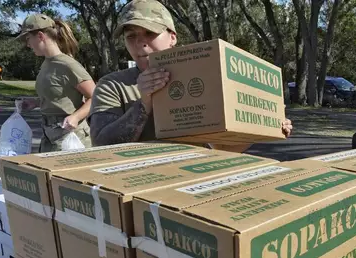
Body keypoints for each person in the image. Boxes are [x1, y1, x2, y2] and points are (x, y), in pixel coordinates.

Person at [88, 0, 292, 151]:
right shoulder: (112, 85)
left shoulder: (203, 78)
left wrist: (264, 125)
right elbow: (101, 145)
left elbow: (220, 149)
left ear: (172, 37)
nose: (140, 43)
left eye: (149, 33)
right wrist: (144, 104)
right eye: (131, 36)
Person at [16, 14, 95, 152]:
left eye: (28, 39)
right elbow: (59, 96)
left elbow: (96, 97)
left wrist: (76, 117)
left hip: (71, 138)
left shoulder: (68, 65)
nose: (27, 45)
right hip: (49, 136)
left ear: (40, 36)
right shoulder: (46, 64)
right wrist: (36, 102)